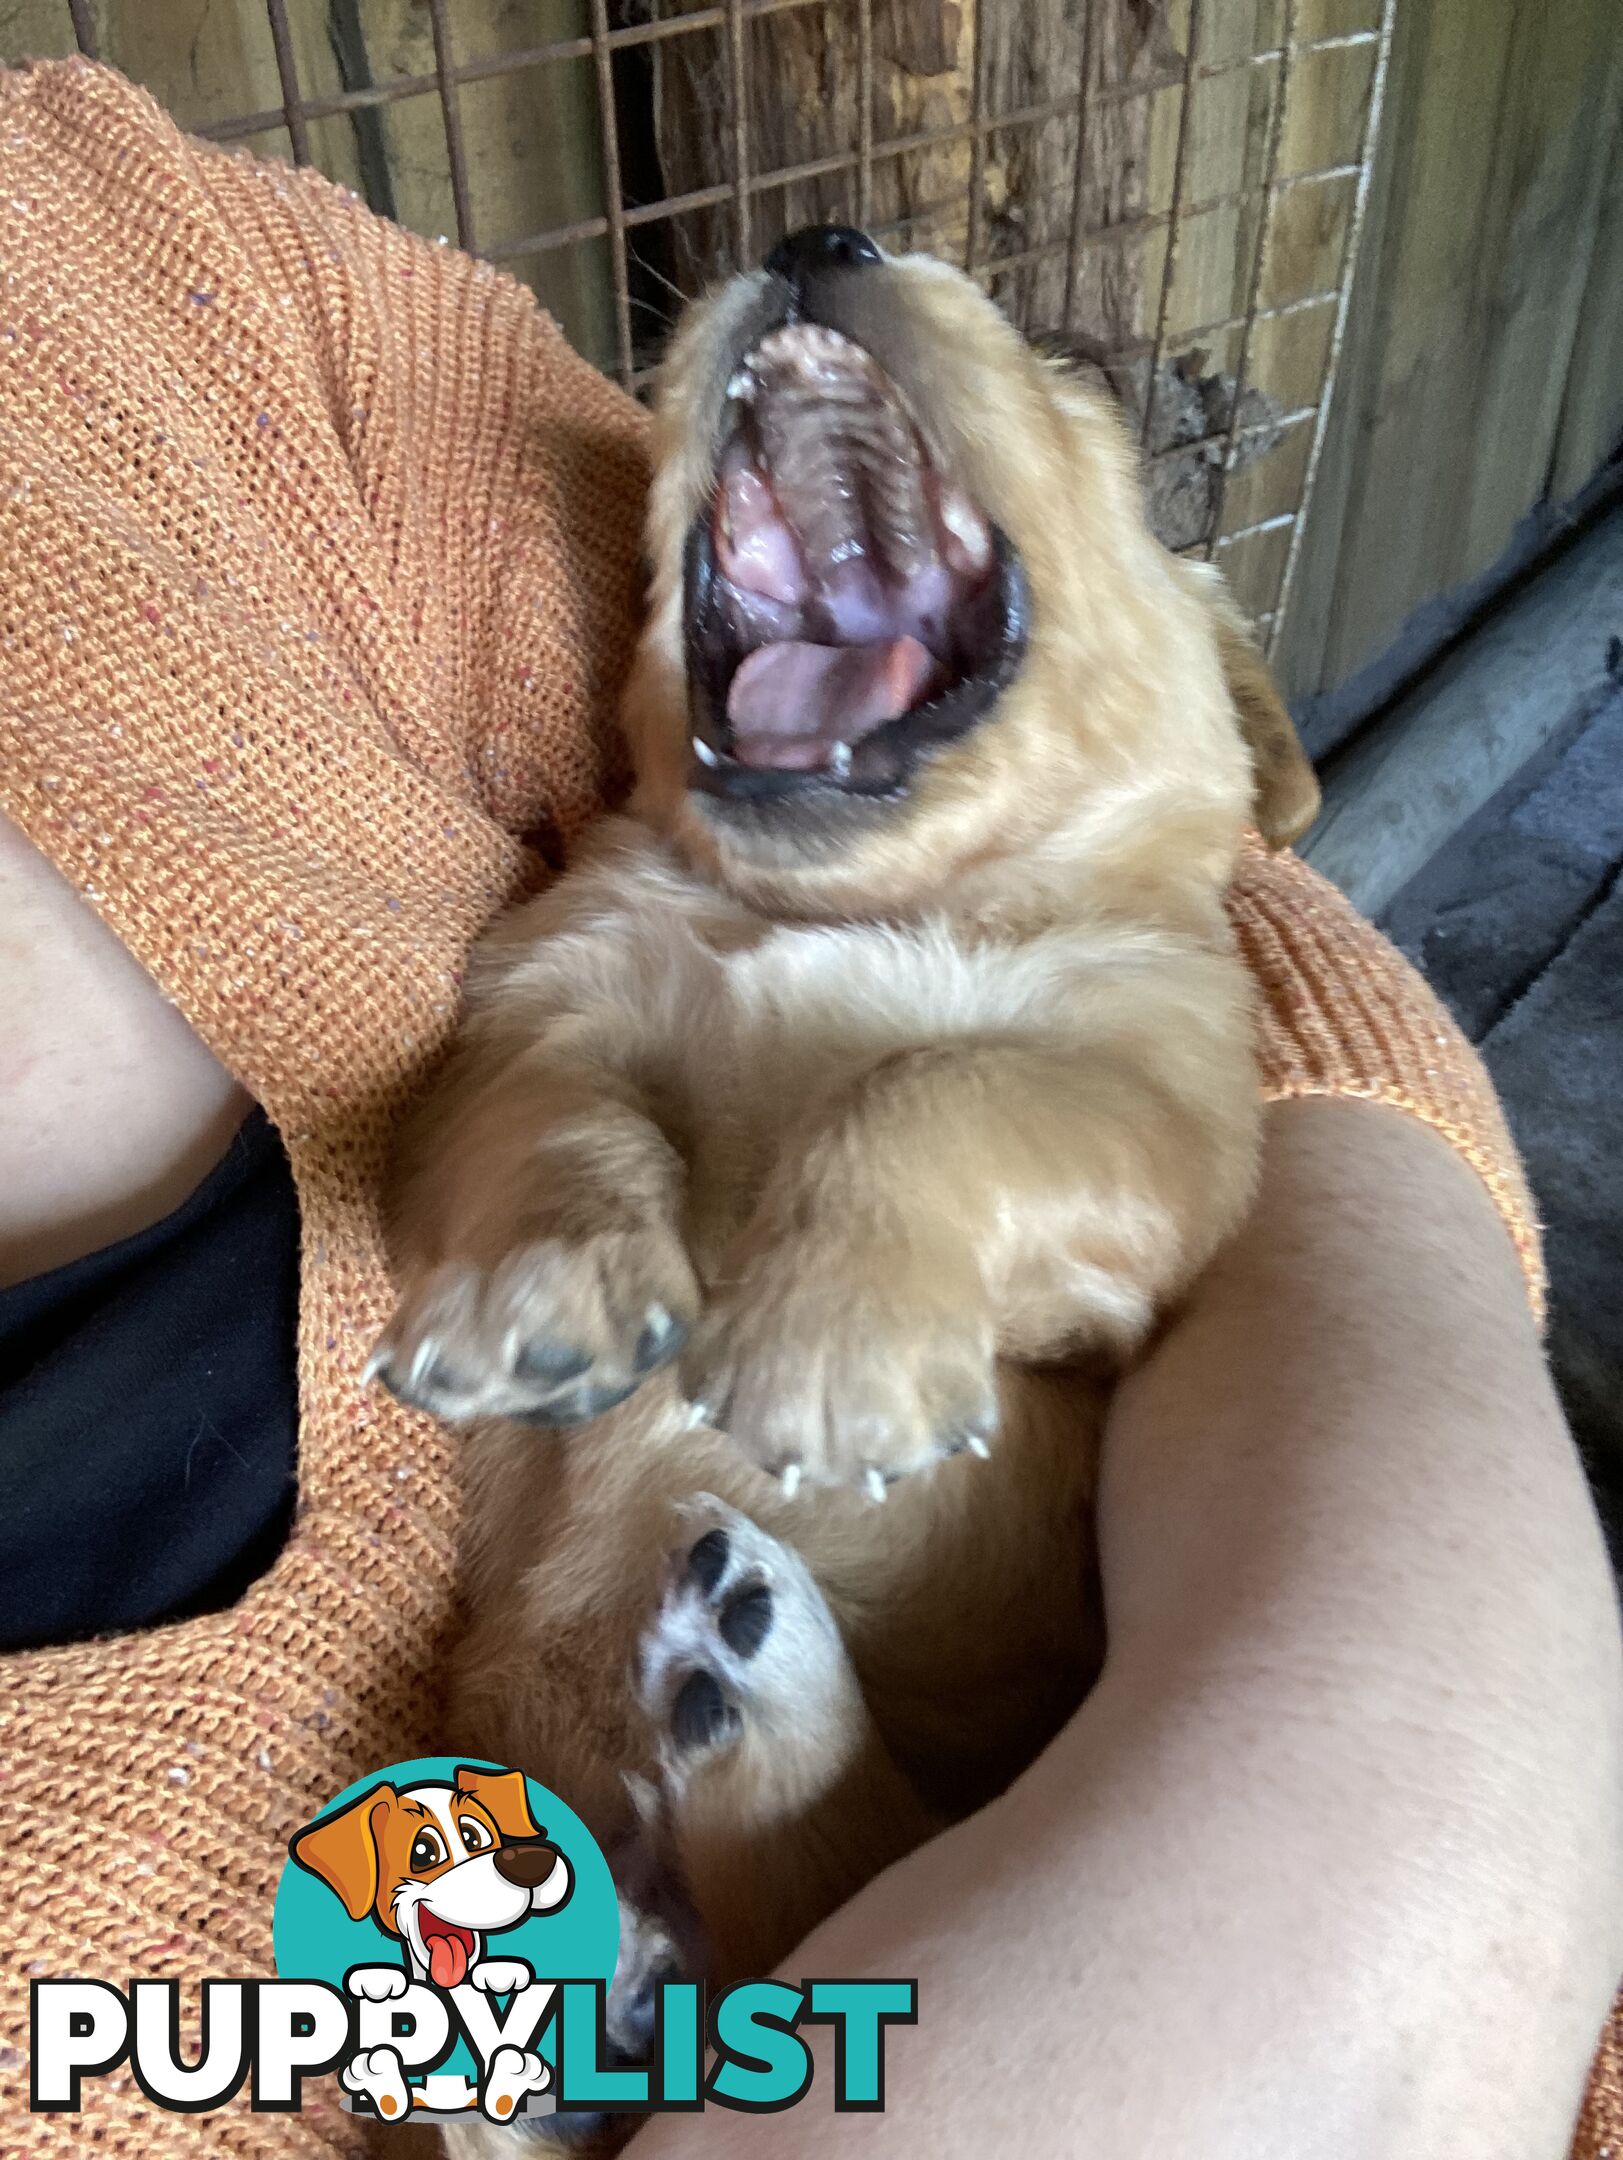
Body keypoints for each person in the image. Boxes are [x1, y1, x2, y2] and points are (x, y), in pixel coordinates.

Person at [0, 57, 1617, 2160]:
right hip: (568, 1805)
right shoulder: (609, 920)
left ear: (1224, 716)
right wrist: (559, 1188)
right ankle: (702, 1919)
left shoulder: (137, 306)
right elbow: (515, 1098)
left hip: (1009, 1825)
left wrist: (1387, 1784)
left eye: (1067, 411)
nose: (802, 295)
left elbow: (1178, 1111)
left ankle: (744, 1879)